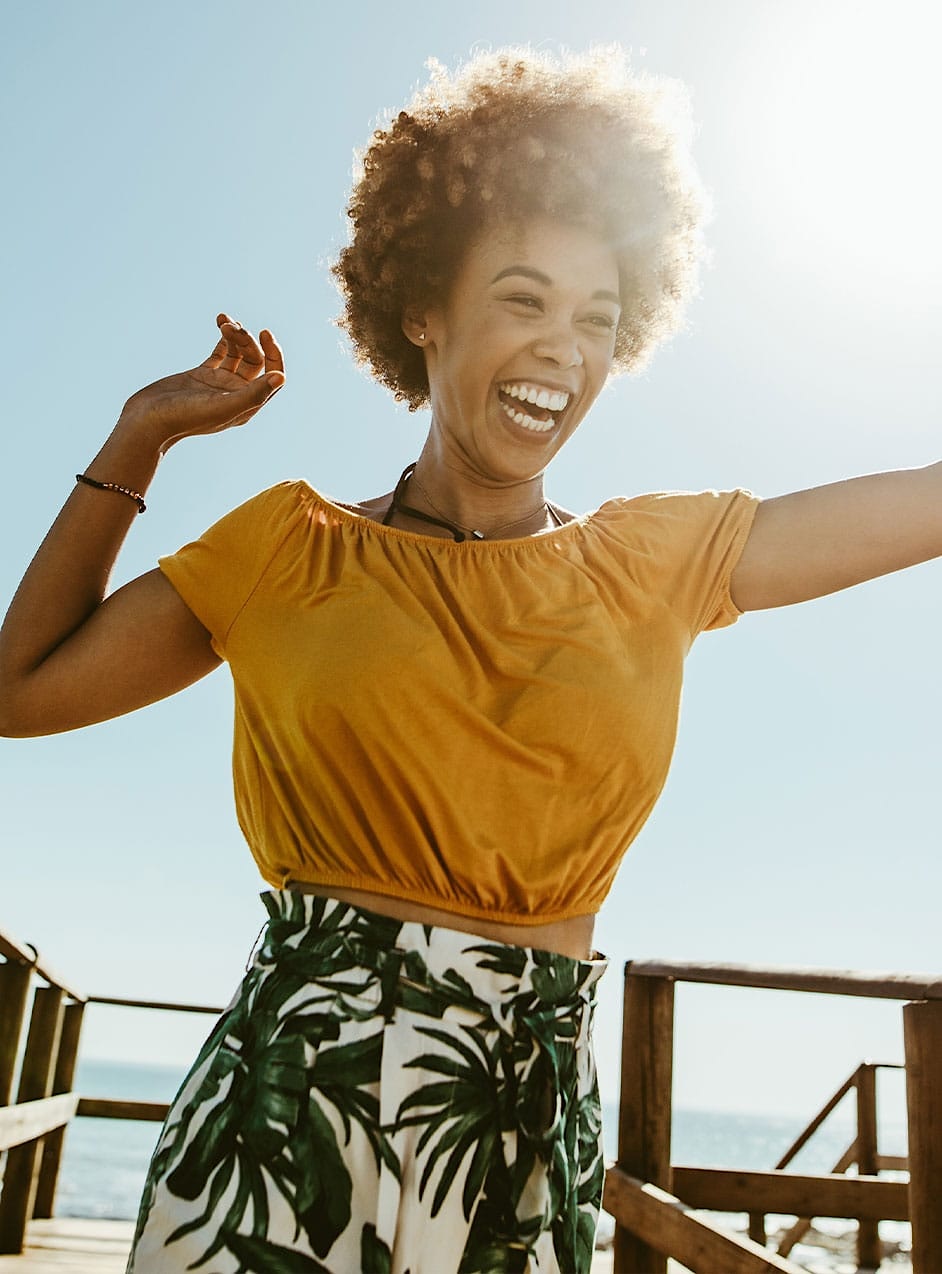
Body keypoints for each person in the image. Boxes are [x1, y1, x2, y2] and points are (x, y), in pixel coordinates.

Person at [0, 45, 939, 1274]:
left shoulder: (656, 558)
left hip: (515, 1130)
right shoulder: (287, 547)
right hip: (279, 1116)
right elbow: (19, 691)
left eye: (597, 319)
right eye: (522, 298)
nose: (562, 347)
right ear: (423, 308)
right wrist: (141, 435)